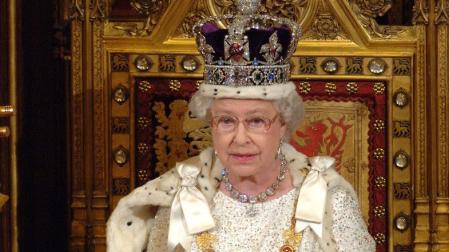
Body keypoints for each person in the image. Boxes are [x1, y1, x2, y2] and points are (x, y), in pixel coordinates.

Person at [106, 0, 375, 251]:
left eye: (256, 121)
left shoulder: (328, 200)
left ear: (283, 123)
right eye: (226, 121)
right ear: (210, 124)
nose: (240, 138)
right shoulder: (181, 200)